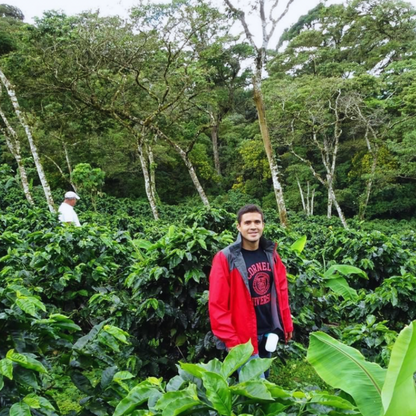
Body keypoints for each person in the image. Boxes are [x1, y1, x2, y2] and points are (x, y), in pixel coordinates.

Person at [208, 204, 293, 376]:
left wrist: (286, 323)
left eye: (257, 222)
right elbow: (217, 304)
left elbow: (281, 291)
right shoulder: (226, 258)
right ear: (239, 227)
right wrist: (231, 340)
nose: (253, 226)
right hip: (243, 338)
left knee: (264, 382)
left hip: (267, 331)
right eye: (247, 223)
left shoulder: (271, 254)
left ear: (263, 225)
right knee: (256, 388)